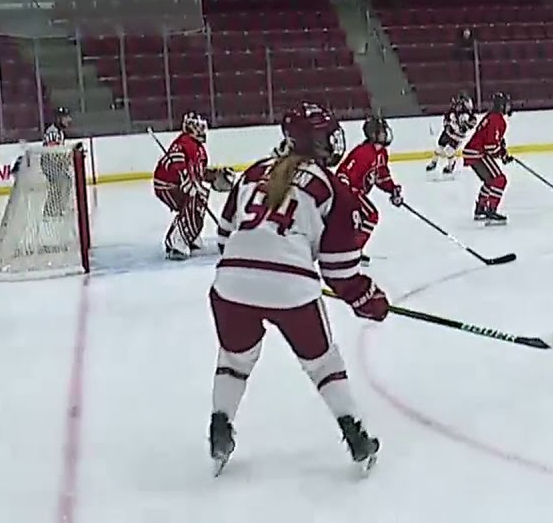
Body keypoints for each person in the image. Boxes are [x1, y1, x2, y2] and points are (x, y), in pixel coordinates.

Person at [209, 102, 387, 475]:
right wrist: (367, 299)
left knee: (234, 358)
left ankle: (220, 426)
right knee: (323, 363)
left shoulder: (253, 173)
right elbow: (340, 270)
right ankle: (354, 434)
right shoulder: (333, 187)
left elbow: (225, 238)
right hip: (291, 289)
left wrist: (255, 268)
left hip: (230, 284)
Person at [152, 112, 234, 260]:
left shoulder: (199, 149)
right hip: (166, 185)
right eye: (199, 127)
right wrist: (185, 180)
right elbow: (176, 163)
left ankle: (190, 233)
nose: (203, 130)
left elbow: (199, 172)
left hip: (175, 184)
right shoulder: (184, 143)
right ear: (191, 128)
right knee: (195, 197)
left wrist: (215, 175)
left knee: (200, 194)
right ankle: (177, 239)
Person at [336, 114, 403, 266]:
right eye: (381, 131)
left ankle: (349, 251)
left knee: (358, 222)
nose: (385, 134)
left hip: (357, 193)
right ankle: (353, 250)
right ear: (373, 134)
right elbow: (343, 174)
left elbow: (382, 176)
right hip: (350, 192)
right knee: (371, 215)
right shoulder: (363, 152)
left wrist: (392, 189)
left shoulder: (381, 153)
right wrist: (346, 195)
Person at [463, 91, 513, 224]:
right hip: (477, 153)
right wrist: (501, 153)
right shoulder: (496, 119)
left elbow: (493, 144)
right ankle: (491, 210)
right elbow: (490, 147)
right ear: (501, 106)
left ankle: (480, 209)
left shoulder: (492, 117)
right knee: (500, 180)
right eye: (506, 104)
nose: (509, 106)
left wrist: (501, 152)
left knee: (490, 181)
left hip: (474, 152)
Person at [426, 92, 477, 175]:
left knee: (449, 151)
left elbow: (473, 122)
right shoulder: (452, 110)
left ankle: (450, 166)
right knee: (439, 148)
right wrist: (447, 127)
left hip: (458, 136)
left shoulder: (468, 114)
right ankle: (434, 162)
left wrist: (466, 127)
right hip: (448, 132)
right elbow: (446, 119)